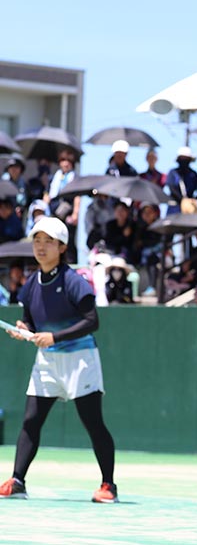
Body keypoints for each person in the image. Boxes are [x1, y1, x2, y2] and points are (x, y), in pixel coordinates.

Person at [0, 216, 119, 503]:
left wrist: (54, 337)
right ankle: (18, 480)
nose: (41, 247)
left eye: (48, 241)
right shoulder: (31, 284)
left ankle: (108, 486)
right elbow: (30, 320)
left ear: (62, 247)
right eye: (37, 241)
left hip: (81, 360)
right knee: (31, 421)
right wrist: (24, 329)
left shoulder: (73, 281)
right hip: (47, 362)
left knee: (93, 422)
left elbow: (92, 321)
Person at [44, 149, 81, 262]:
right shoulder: (54, 177)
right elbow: (47, 193)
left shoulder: (74, 178)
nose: (66, 164)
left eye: (68, 161)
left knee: (69, 239)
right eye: (63, 161)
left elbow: (77, 197)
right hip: (54, 211)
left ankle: (71, 262)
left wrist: (75, 213)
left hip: (67, 212)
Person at [165, 147, 197, 215]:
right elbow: (172, 188)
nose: (184, 161)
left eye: (186, 159)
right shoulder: (173, 173)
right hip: (174, 208)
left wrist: (192, 201)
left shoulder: (193, 174)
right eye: (182, 158)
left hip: (189, 209)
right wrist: (182, 200)